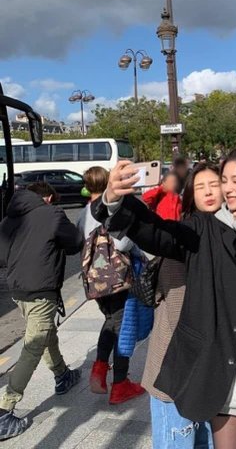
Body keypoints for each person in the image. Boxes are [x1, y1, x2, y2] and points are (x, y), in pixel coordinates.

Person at [98, 144, 236, 449]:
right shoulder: (205, 228)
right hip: (225, 373)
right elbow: (158, 233)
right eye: (225, 180)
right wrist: (116, 202)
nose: (228, 188)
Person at [143, 162, 222, 449]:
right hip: (174, 367)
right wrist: (115, 205)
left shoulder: (228, 235)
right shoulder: (185, 238)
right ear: (190, 196)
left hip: (210, 369)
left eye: (214, 184)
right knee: (178, 440)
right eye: (200, 187)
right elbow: (150, 233)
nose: (209, 192)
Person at [0, 183, 84, 440]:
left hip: (18, 290)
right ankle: (4, 411)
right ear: (47, 197)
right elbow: (75, 242)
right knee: (34, 343)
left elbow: (2, 256)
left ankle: (62, 375)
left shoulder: (10, 218)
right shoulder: (52, 213)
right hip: (41, 288)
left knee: (46, 332)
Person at [76, 166, 145, 405]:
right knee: (123, 328)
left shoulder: (84, 212)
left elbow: (79, 241)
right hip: (118, 279)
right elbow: (123, 244)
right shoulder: (109, 209)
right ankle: (120, 384)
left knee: (111, 322)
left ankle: (100, 367)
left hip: (95, 280)